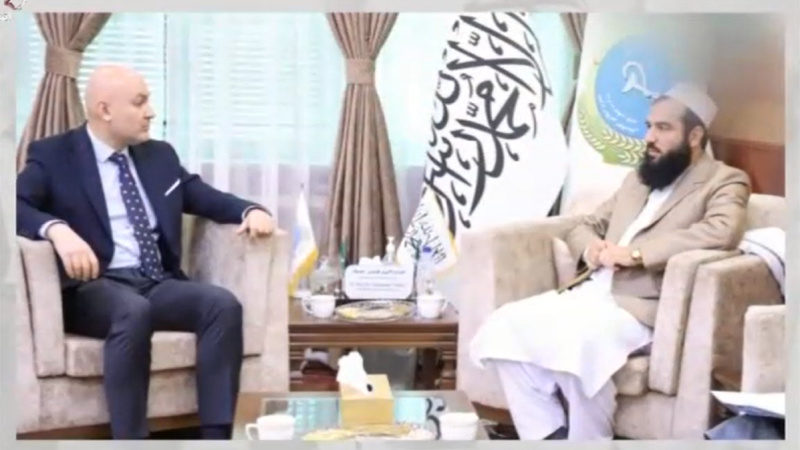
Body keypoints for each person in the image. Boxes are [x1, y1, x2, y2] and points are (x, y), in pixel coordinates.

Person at [469, 83, 752, 440]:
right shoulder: (638, 179)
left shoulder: (724, 180)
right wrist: (592, 249)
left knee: (578, 345)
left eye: (663, 128)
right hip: (590, 291)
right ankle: (547, 436)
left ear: (694, 136)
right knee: (506, 324)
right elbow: (586, 225)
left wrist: (635, 254)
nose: (649, 138)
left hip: (641, 305)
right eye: (649, 126)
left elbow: (721, 231)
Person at [16, 65, 276, 440]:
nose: (150, 112)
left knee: (221, 305)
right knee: (132, 311)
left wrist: (250, 210)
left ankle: (217, 437)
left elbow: (202, 196)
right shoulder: (55, 155)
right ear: (105, 110)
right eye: (139, 103)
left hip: (155, 281)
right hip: (93, 287)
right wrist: (57, 230)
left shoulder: (159, 156)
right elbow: (14, 203)